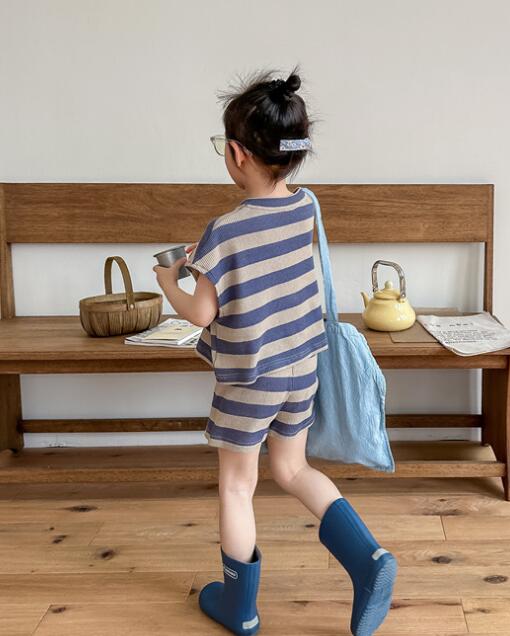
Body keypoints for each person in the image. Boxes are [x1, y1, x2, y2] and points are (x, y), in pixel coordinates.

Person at [153, 68, 397, 636]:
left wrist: (169, 280)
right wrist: (211, 259)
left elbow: (201, 314)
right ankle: (369, 561)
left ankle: (239, 608)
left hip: (250, 379)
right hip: (301, 366)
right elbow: (267, 266)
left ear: (237, 153)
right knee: (292, 468)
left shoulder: (224, 230)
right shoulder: (305, 206)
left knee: (238, 485)